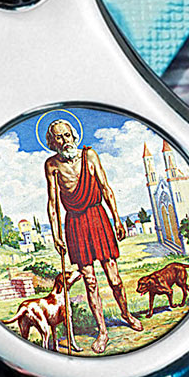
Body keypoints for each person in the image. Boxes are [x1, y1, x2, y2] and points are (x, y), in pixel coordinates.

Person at [44, 119, 143, 353]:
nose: (64, 141)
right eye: (59, 137)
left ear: (74, 136)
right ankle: (103, 331)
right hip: (75, 224)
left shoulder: (90, 156)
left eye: (67, 135)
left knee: (114, 278)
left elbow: (106, 188)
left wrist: (117, 219)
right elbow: (53, 203)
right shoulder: (52, 165)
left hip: (98, 218)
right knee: (90, 282)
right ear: (52, 142)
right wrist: (56, 235)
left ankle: (126, 314)